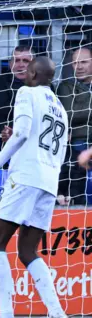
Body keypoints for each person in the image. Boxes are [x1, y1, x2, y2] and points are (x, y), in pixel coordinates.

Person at [0, 56, 72, 318]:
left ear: (32, 73)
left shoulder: (25, 92)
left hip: (25, 178)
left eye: (26, 67)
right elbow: (42, 143)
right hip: (49, 181)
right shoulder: (60, 109)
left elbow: (20, 132)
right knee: (27, 251)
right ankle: (58, 316)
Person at [56, 47, 92, 205]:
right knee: (75, 154)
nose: (79, 66)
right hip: (76, 142)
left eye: (84, 62)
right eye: (75, 63)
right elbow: (70, 115)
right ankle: (75, 203)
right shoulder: (65, 87)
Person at [0, 45, 34, 140]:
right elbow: (3, 110)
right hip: (9, 135)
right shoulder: (0, 81)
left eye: (26, 61)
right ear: (10, 64)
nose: (21, 65)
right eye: (17, 60)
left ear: (34, 65)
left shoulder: (41, 83)